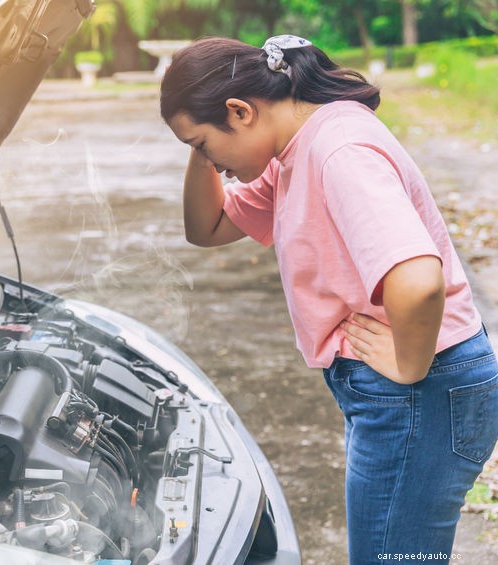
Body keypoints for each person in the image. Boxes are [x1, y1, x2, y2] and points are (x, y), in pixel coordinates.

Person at [159, 35, 498, 565]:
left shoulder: (338, 152)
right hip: (406, 393)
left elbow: (419, 280)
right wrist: (202, 140)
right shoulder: (293, 149)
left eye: (203, 144)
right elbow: (208, 226)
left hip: (420, 389)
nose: (209, 161)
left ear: (240, 111)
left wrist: (410, 366)